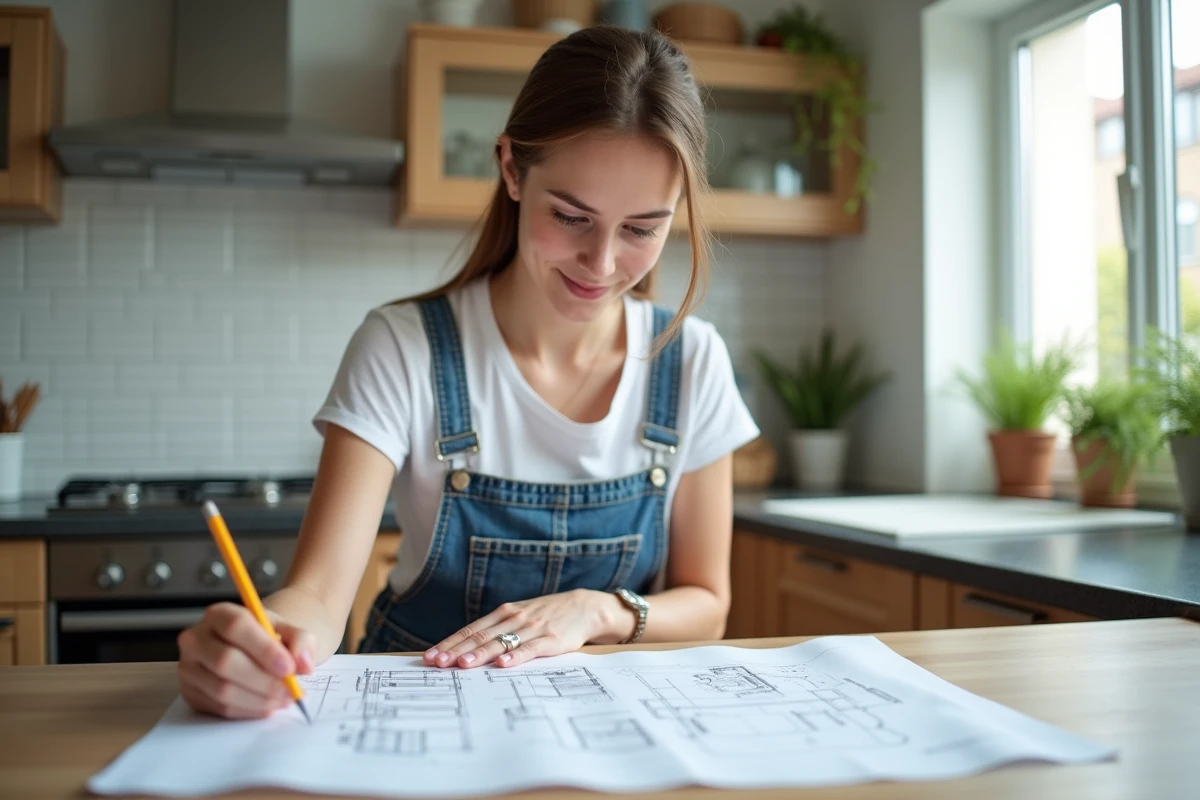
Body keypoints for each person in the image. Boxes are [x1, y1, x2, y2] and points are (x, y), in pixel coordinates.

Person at [176, 24, 759, 720]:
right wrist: (272, 643)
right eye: (571, 217)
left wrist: (595, 611)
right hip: (420, 718)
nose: (601, 265)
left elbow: (707, 606)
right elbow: (320, 595)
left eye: (641, 228)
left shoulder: (692, 360)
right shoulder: (402, 347)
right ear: (512, 168)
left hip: (603, 728)